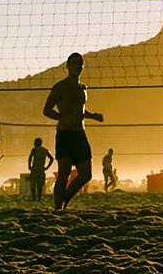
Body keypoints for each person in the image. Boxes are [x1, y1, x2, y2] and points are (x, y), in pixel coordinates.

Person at [43, 52, 104, 211]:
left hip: (80, 134)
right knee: (64, 174)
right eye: (75, 63)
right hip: (65, 134)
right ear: (68, 66)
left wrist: (94, 116)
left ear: (82, 67)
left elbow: (81, 110)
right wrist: (61, 117)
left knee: (86, 175)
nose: (78, 66)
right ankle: (58, 209)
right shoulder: (60, 87)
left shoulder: (83, 88)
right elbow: (46, 110)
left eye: (80, 63)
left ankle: (64, 201)